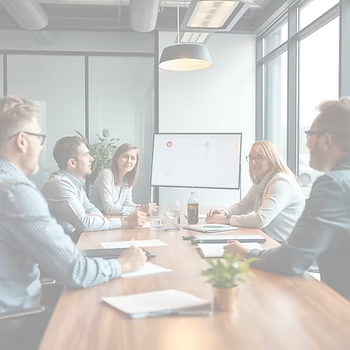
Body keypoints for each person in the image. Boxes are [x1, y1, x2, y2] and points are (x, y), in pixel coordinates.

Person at [0, 96, 147, 350]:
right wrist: (125, 263)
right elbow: (76, 271)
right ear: (22, 141)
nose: (42, 148)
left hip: (23, 308)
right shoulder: (15, 191)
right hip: (18, 323)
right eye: (40, 139)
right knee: (113, 330)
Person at [224, 97, 350, 301]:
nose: (307, 143)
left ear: (326, 140)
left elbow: (291, 260)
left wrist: (248, 253)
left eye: (310, 134)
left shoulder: (333, 185)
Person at [41, 137, 147, 241]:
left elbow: (90, 208)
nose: (92, 159)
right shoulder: (59, 184)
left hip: (71, 240)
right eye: (87, 155)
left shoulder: (74, 183)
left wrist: (93, 219)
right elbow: (85, 223)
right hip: (60, 246)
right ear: (73, 163)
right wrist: (126, 222)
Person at [207, 141, 305, 243]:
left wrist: (225, 219)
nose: (253, 162)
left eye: (258, 158)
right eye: (251, 158)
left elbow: (260, 220)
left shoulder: (281, 182)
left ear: (272, 159)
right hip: (269, 241)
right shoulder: (262, 181)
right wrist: (224, 212)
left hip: (284, 247)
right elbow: (243, 206)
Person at [90, 143, 157, 215]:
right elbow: (108, 208)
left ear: (136, 162)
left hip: (113, 219)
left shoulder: (127, 179)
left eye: (133, 158)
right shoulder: (106, 174)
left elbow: (127, 203)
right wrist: (140, 209)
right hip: (98, 218)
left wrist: (143, 207)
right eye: (125, 157)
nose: (129, 161)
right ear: (116, 158)